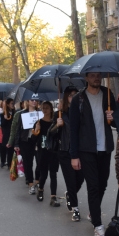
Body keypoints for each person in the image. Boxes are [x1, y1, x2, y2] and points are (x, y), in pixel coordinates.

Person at [69, 73, 117, 236]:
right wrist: (74, 156)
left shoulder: (108, 94)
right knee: (93, 186)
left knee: (103, 183)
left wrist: (114, 117)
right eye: (93, 76)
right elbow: (73, 130)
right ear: (86, 78)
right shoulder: (78, 100)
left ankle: (92, 211)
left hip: (105, 148)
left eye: (99, 76)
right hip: (86, 150)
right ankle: (98, 226)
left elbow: (117, 121)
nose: (97, 78)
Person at [49, 87, 84, 221]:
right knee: (70, 180)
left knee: (80, 178)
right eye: (70, 95)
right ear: (66, 98)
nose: (73, 97)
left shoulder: (82, 112)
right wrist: (57, 125)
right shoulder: (59, 114)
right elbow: (50, 133)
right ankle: (75, 209)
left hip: (80, 150)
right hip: (64, 151)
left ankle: (70, 194)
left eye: (75, 95)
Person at [8, 99, 40, 193]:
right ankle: (30, 183)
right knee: (27, 163)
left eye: (36, 100)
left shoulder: (40, 113)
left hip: (37, 141)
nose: (34, 102)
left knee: (40, 162)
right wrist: (16, 143)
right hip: (25, 141)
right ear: (27, 101)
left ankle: (37, 180)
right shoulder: (22, 114)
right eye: (32, 100)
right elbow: (18, 129)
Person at [33, 102, 60, 204]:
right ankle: (40, 190)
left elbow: (58, 136)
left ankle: (53, 197)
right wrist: (36, 130)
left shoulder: (55, 122)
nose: (45, 110)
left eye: (47, 108)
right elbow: (34, 139)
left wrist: (58, 126)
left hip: (53, 151)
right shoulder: (39, 122)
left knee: (53, 174)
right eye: (43, 108)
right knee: (43, 173)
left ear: (51, 109)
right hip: (43, 151)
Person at [0, 99, 15, 169]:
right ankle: (3, 161)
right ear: (8, 104)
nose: (13, 105)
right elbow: (2, 125)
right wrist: (5, 118)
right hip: (6, 133)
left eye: (13, 103)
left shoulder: (15, 113)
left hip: (13, 133)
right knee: (4, 148)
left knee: (11, 150)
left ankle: (10, 164)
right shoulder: (3, 114)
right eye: (11, 103)